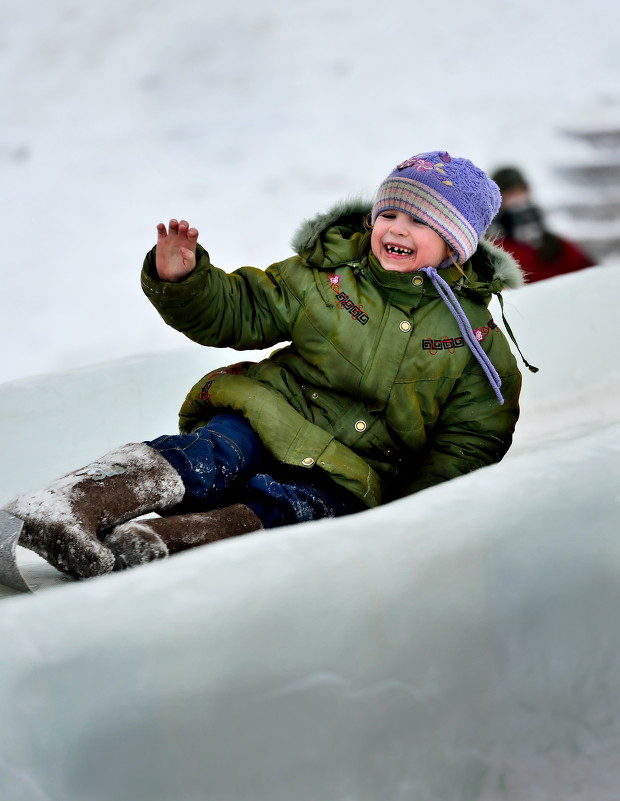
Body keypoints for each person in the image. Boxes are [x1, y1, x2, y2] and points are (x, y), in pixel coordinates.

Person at [2, 151, 525, 580]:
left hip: (350, 471)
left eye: (418, 220)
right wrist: (185, 282)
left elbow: (471, 439)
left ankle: (163, 541)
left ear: (456, 244)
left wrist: (414, 513)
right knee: (212, 450)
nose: (397, 228)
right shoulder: (327, 278)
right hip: (269, 412)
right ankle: (72, 504)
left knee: (297, 509)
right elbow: (244, 309)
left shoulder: (474, 342)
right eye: (389, 213)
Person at [489, 166, 596, 283]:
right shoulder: (490, 249)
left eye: (520, 191)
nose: (517, 199)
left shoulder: (555, 246)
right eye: (509, 194)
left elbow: (593, 276)